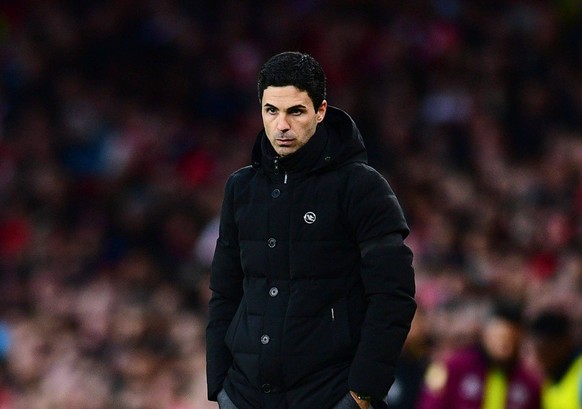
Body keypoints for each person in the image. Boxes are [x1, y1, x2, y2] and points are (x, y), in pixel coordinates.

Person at [205, 51, 416, 409]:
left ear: (320, 111)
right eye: (271, 110)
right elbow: (225, 292)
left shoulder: (361, 187)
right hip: (245, 394)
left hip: (330, 394)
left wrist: (362, 393)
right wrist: (220, 389)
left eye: (295, 111)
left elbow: (393, 296)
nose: (281, 124)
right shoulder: (240, 188)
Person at [416, 302, 541, 409]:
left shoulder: (530, 383)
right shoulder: (453, 367)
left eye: (511, 340)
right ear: (485, 333)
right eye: (498, 337)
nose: (504, 346)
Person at [528, 309, 582, 409]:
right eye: (536, 351)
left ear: (564, 343)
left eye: (544, 350)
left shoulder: (579, 375)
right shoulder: (548, 383)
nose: (539, 357)